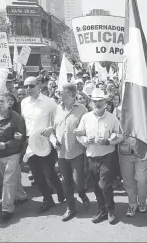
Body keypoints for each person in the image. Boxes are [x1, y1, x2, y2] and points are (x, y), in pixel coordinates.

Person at [75, 88, 123, 224]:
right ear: (91, 102)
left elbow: (120, 136)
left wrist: (109, 140)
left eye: (100, 100)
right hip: (91, 156)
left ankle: (110, 209)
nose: (97, 103)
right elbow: (80, 134)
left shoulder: (112, 117)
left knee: (104, 185)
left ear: (105, 102)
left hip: (107, 156)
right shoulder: (86, 117)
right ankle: (102, 209)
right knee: (96, 186)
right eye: (95, 101)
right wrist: (85, 140)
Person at [21, 77, 65, 214]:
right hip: (31, 143)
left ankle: (60, 191)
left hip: (46, 142)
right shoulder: (23, 103)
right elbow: (24, 122)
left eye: (31, 86)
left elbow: (59, 119)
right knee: (37, 174)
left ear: (39, 86)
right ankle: (48, 200)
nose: (28, 89)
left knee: (49, 171)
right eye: (26, 86)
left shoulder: (49, 102)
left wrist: (52, 128)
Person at [49, 83, 90, 222]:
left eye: (61, 91)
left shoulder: (83, 109)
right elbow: (51, 130)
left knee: (78, 182)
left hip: (77, 151)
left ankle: (82, 194)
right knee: (66, 181)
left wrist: (82, 132)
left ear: (71, 95)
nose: (58, 93)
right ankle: (70, 208)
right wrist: (53, 140)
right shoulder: (56, 109)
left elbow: (88, 130)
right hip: (61, 153)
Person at [0, 93, 28, 223]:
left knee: (7, 181)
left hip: (13, 154)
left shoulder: (17, 118)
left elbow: (21, 137)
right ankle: (21, 196)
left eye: (2, 101)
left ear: (9, 103)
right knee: (11, 178)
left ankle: (7, 209)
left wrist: (7, 144)